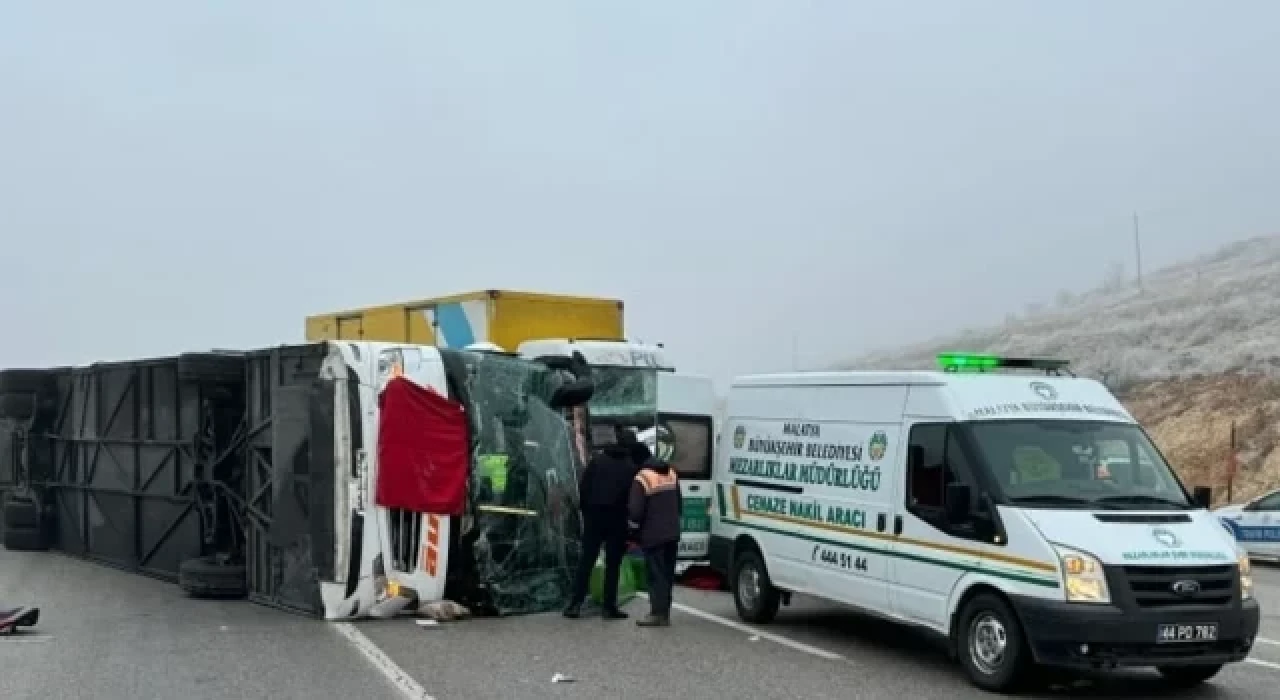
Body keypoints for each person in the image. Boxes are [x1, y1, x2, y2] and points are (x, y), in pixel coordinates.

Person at [563, 427, 644, 620]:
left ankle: (575, 604)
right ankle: (609, 607)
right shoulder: (631, 467)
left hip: (594, 516)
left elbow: (584, 488)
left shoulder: (597, 461)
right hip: (617, 518)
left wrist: (586, 511)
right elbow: (632, 498)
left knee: (587, 561)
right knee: (613, 564)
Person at [627, 451, 682, 627]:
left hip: (653, 535)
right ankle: (665, 611)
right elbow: (680, 502)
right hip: (672, 533)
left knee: (655, 574)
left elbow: (635, 511)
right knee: (667, 574)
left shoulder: (642, 478)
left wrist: (632, 529)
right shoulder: (671, 473)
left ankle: (656, 613)